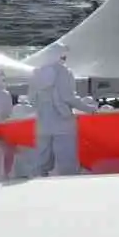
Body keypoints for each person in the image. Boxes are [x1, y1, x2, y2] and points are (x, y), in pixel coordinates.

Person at [28, 43, 97, 176]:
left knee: (41, 158)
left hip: (42, 122)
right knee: (67, 158)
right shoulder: (64, 72)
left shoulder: (36, 73)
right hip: (62, 121)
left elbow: (31, 99)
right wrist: (89, 109)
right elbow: (68, 97)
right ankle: (67, 186)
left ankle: (36, 184)